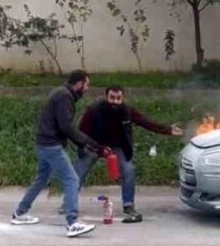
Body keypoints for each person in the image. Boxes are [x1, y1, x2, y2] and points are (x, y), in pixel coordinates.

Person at [11, 70, 104, 238]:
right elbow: (65, 126)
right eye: (87, 85)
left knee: (41, 179)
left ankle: (20, 212)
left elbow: (64, 126)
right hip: (51, 146)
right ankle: (72, 222)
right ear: (79, 84)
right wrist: (87, 142)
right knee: (72, 179)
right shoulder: (64, 96)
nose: (87, 89)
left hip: (43, 144)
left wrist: (83, 142)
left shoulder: (61, 93)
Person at [75, 85, 183, 223]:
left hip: (118, 146)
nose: (115, 101)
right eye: (112, 98)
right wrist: (92, 148)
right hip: (95, 145)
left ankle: (128, 207)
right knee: (79, 170)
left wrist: (168, 130)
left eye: (118, 98)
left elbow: (146, 122)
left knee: (128, 170)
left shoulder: (126, 110)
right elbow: (81, 132)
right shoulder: (93, 110)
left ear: (123, 98)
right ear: (106, 97)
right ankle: (68, 202)